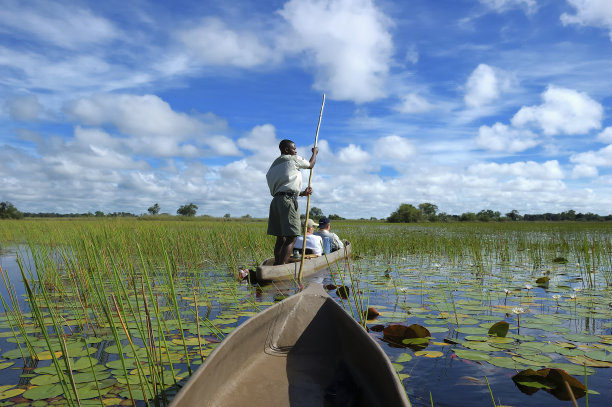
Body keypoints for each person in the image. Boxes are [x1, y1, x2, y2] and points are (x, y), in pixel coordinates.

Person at [266, 139, 318, 265]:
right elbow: (310, 164)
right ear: (286, 150)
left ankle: (277, 265)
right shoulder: (292, 159)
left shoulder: (273, 166)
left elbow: (283, 186)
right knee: (291, 237)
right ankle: (281, 267)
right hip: (288, 202)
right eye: (294, 149)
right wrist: (315, 153)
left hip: (276, 201)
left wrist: (302, 193)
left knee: (281, 237)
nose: (296, 151)